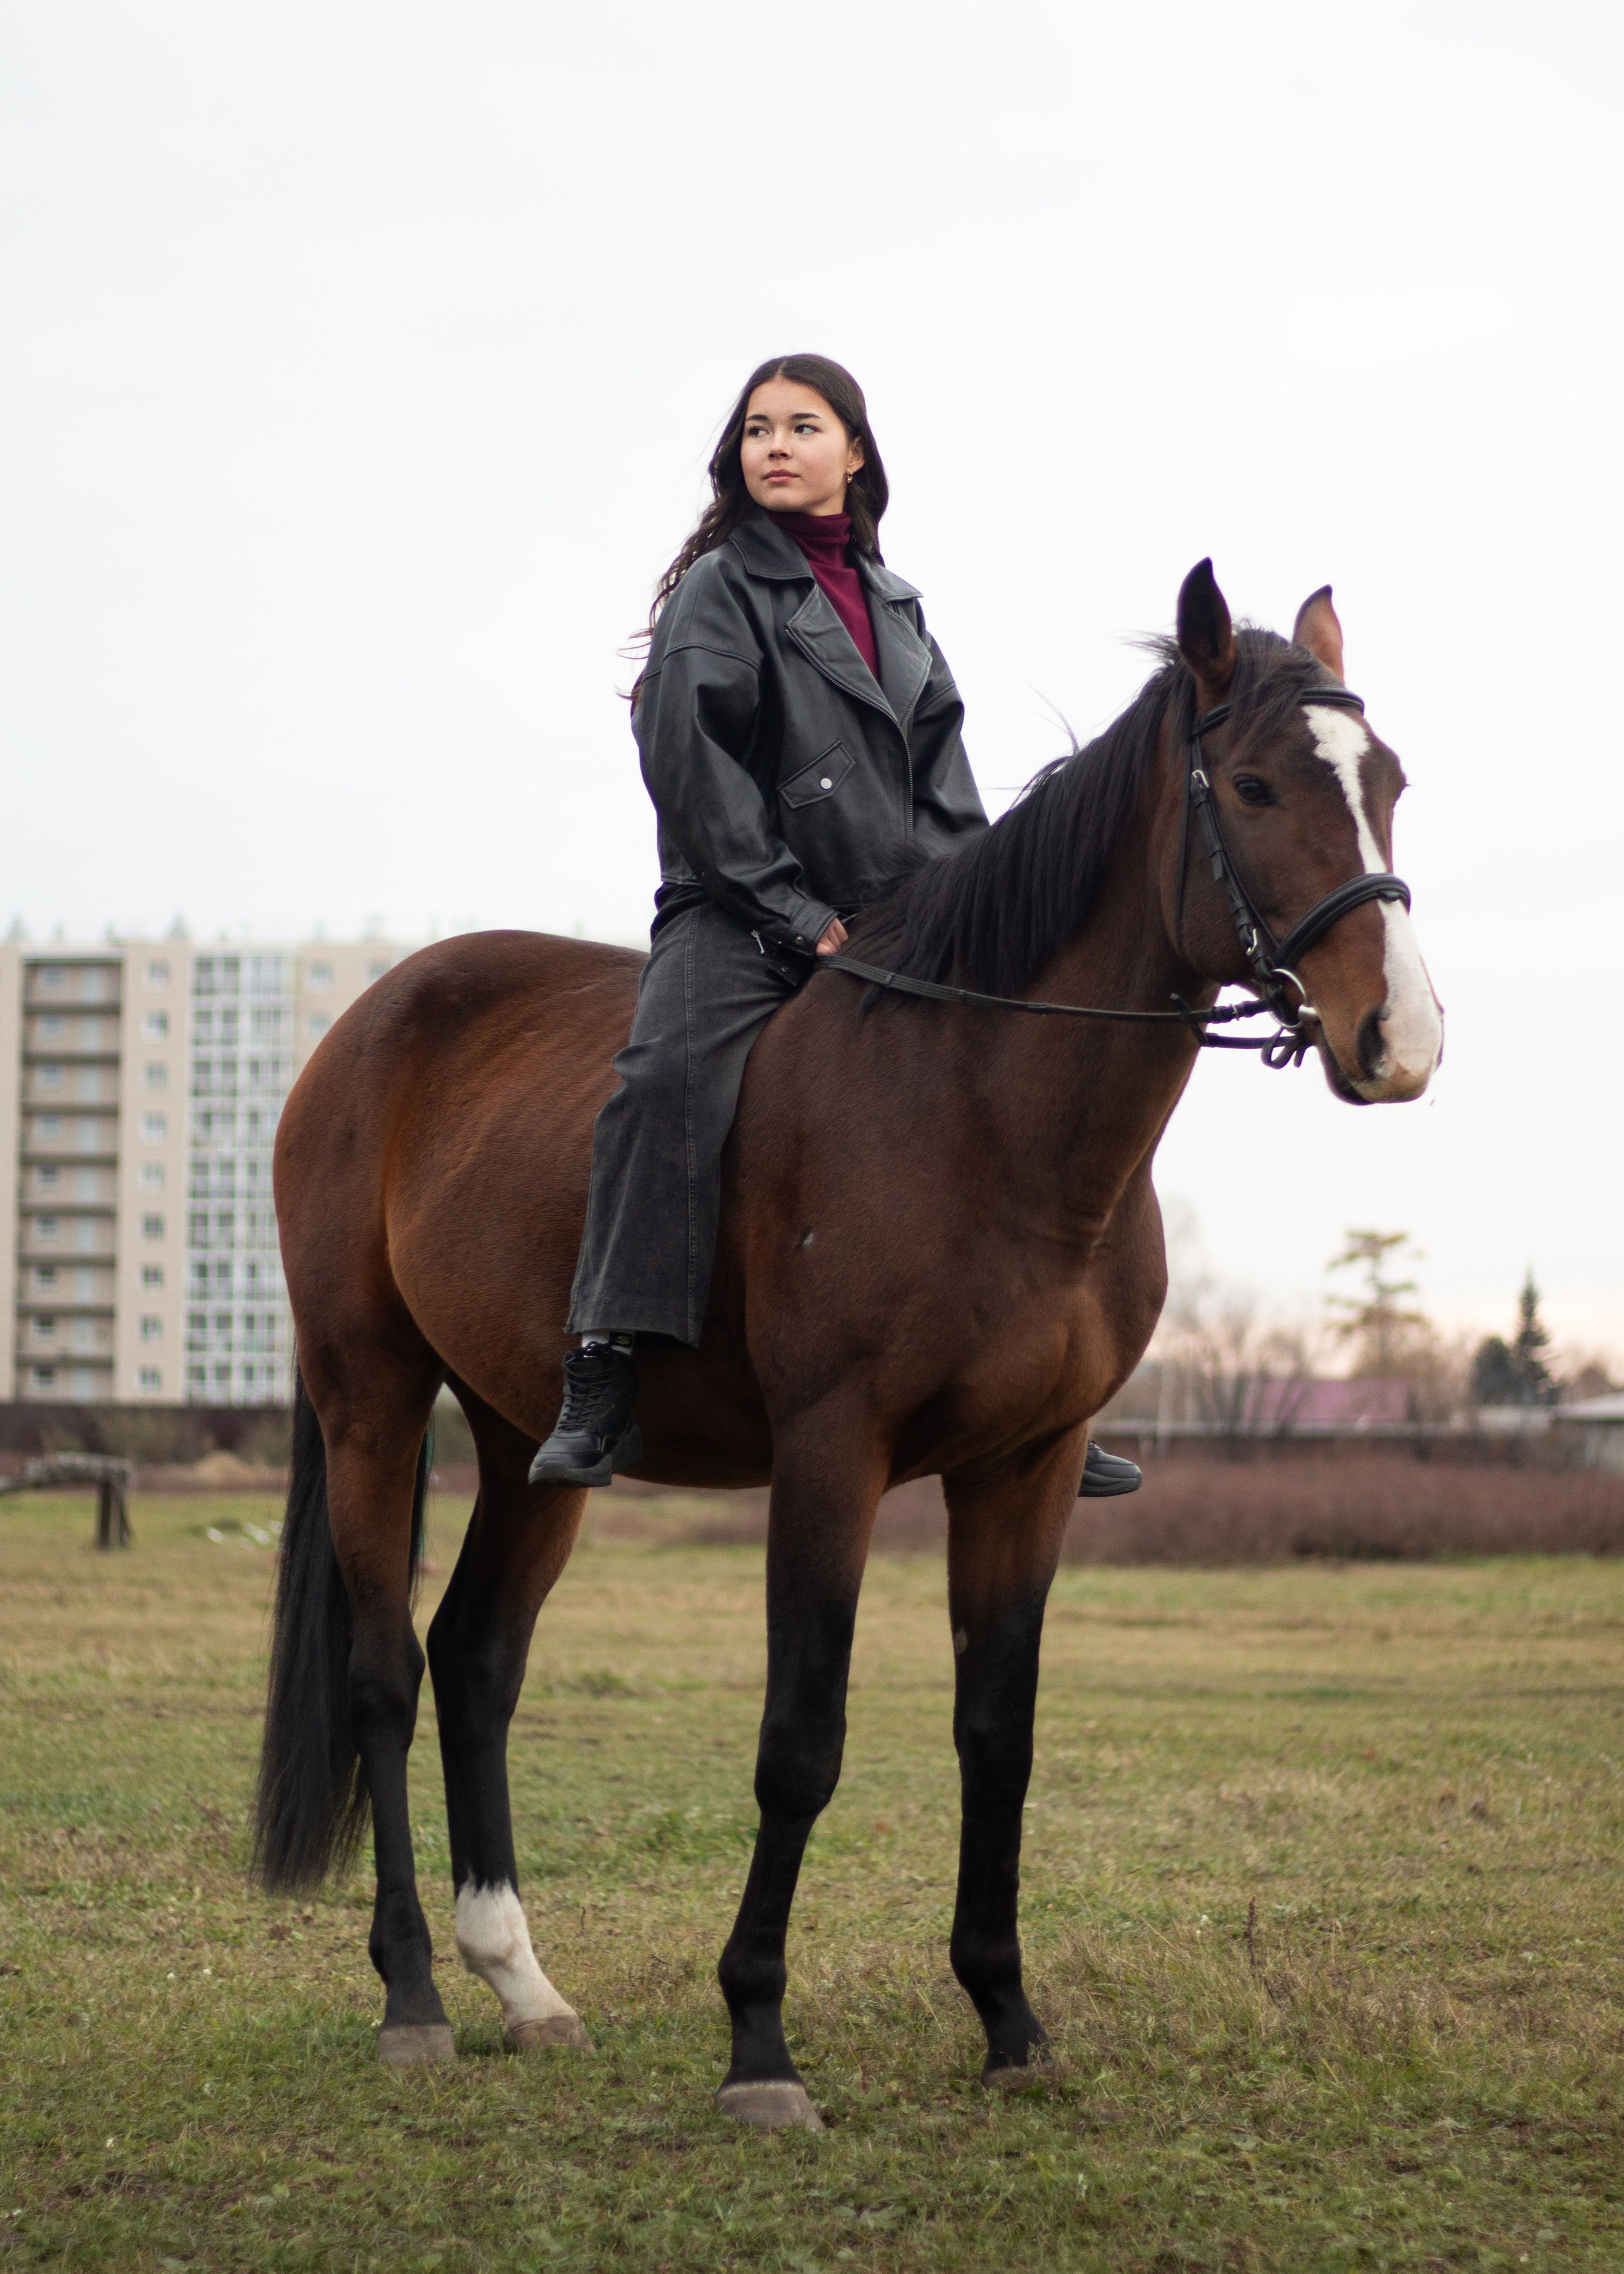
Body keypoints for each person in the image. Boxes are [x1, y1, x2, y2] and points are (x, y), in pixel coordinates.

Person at [530, 353, 1141, 1504]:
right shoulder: (720, 591)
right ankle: (605, 1365)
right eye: (756, 428)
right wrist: (797, 916)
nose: (774, 445)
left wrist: (973, 924)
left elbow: (948, 797)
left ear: (854, 453)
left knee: (1029, 1067)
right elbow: (692, 774)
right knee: (663, 1078)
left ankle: (1041, 1383)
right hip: (735, 911)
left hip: (892, 924)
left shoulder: (902, 605)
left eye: (801, 426)